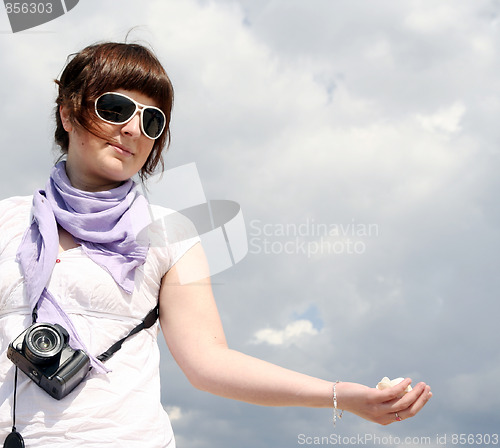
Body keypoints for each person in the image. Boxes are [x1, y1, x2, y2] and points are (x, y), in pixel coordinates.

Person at [0, 41, 432, 447]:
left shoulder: (171, 233)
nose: (133, 129)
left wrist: (339, 395)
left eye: (152, 120)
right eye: (115, 108)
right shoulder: (7, 221)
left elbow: (209, 363)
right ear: (69, 114)